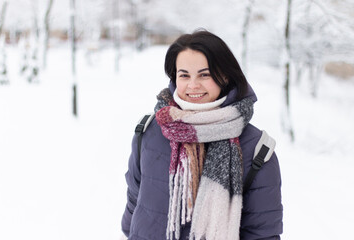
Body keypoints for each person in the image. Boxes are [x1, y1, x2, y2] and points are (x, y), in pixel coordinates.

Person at [121, 30, 283, 240]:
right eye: (184, 75)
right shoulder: (150, 131)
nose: (193, 85)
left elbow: (263, 233)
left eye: (205, 74)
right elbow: (135, 201)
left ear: (225, 76)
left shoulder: (257, 150)